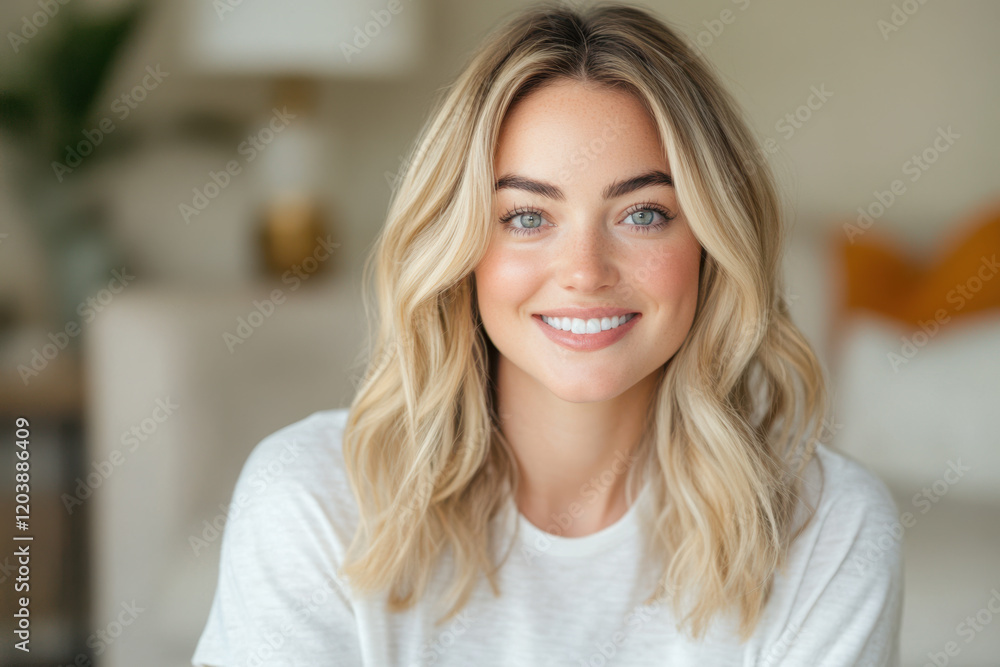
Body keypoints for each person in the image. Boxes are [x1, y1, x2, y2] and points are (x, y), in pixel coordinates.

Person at [192, 3, 903, 665]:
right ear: (460, 249)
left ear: (712, 244)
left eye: (643, 214)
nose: (585, 272)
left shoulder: (831, 529)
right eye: (528, 217)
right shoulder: (308, 499)